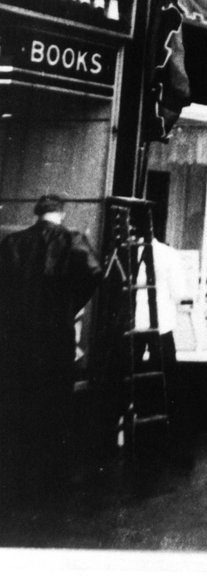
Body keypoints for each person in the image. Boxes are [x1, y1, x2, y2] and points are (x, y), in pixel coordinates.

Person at [0, 193, 101, 503]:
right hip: (57, 332)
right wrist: (69, 305)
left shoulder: (12, 243)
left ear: (37, 213)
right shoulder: (74, 240)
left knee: (18, 398)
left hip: (18, 334)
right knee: (56, 399)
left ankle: (16, 472)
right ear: (62, 214)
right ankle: (53, 474)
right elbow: (94, 275)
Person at [134, 234, 193, 460]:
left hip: (132, 324)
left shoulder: (127, 251)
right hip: (160, 324)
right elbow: (179, 293)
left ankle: (134, 419)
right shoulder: (169, 255)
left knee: (134, 369)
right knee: (167, 374)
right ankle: (165, 425)